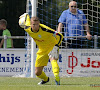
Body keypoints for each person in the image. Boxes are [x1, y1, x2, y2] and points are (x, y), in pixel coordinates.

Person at [19, 13, 63, 85]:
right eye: (33, 24)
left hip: (52, 46)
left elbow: (60, 35)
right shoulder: (27, 28)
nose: (35, 26)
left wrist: (56, 46)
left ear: (39, 23)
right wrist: (26, 15)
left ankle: (56, 77)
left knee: (53, 60)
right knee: (37, 72)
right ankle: (46, 79)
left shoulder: (45, 29)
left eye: (37, 24)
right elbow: (26, 19)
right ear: (31, 24)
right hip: (42, 50)